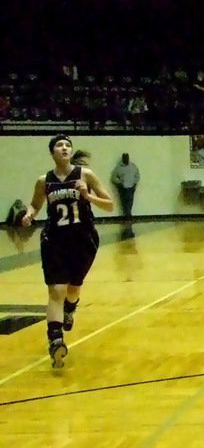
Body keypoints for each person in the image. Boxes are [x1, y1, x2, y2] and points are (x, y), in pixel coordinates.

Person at [19, 134, 114, 367]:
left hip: (83, 239)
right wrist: (30, 214)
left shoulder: (85, 175)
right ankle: (55, 340)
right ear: (52, 152)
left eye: (67, 145)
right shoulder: (44, 181)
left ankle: (71, 309)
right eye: (59, 145)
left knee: (73, 288)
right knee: (56, 290)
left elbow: (110, 204)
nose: (64, 148)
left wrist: (87, 195)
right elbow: (36, 203)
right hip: (55, 239)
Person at [111, 153, 140, 218]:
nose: (126, 159)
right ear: (123, 159)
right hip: (123, 188)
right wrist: (120, 183)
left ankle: (128, 214)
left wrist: (135, 182)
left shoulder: (133, 166)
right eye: (125, 158)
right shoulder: (118, 168)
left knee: (130, 201)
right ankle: (127, 215)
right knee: (124, 202)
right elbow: (113, 177)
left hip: (131, 187)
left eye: (127, 158)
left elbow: (137, 175)